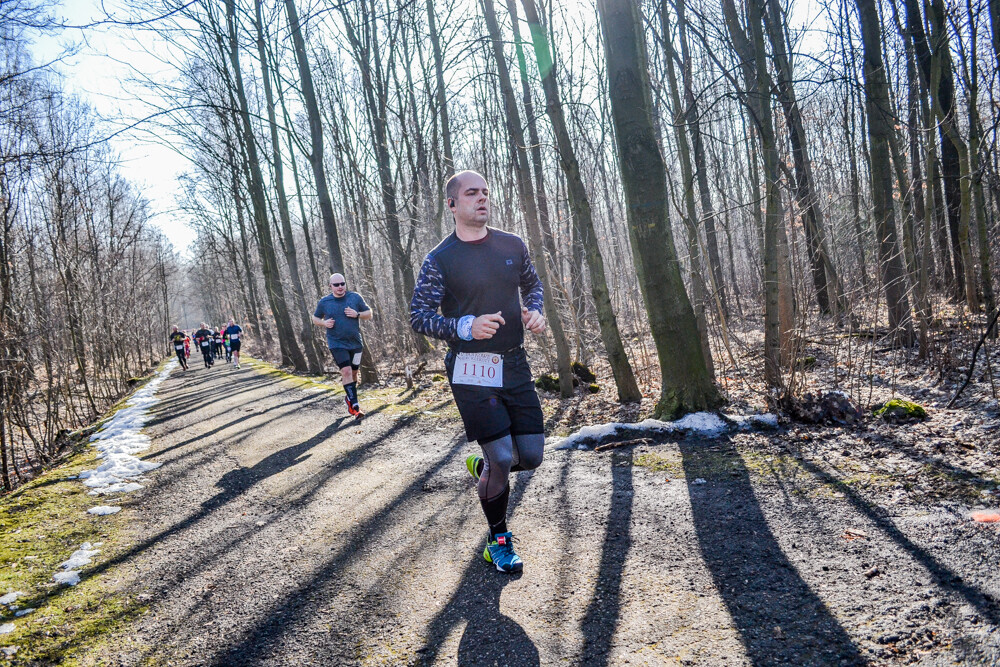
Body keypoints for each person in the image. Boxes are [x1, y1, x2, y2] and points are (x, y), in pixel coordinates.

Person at [410, 170, 547, 574]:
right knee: (503, 456)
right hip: (471, 368)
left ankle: (487, 467)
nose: (482, 199)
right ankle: (498, 541)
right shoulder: (440, 259)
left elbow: (533, 284)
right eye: (472, 193)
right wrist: (463, 327)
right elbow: (418, 317)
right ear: (452, 205)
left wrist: (534, 310)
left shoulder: (512, 244)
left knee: (533, 457)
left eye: (485, 192)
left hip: (514, 361)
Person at [313, 273, 373, 419]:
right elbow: (315, 318)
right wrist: (324, 323)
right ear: (330, 286)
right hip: (336, 343)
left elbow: (369, 313)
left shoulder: (355, 297)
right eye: (336, 285)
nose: (340, 287)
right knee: (346, 372)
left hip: (355, 343)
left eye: (342, 284)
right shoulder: (325, 302)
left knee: (354, 373)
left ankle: (349, 398)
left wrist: (357, 314)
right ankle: (355, 406)